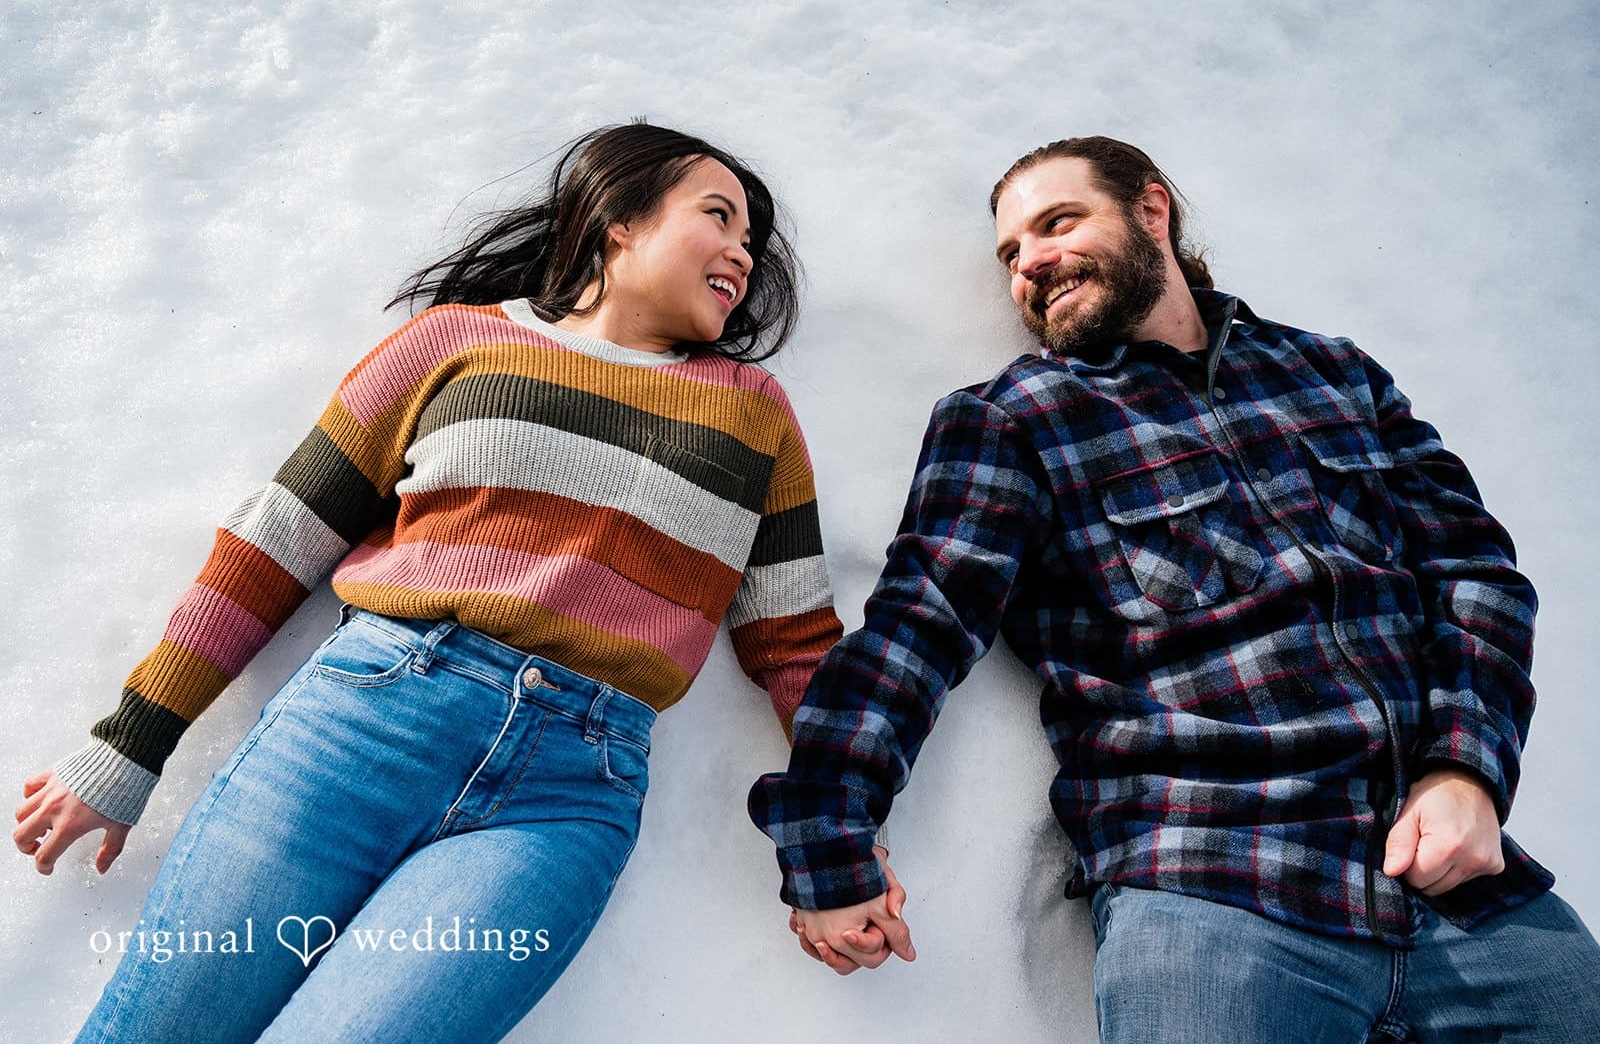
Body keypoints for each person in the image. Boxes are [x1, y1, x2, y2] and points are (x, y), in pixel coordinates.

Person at [749, 136, 1600, 1040]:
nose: (1030, 261)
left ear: (1151, 211)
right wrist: (829, 837)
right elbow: (917, 626)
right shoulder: (1014, 418)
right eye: (1011, 254)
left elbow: (1477, 576)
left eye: (1057, 222)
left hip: (1463, 893)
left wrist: (1465, 768)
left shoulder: (1336, 375)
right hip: (1211, 893)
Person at [14, 122, 848, 1043]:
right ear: (619, 219)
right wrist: (133, 742)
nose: (741, 251)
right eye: (718, 216)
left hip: (566, 798)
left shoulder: (755, 417)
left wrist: (838, 850)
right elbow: (280, 536)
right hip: (363, 724)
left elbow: (797, 642)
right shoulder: (453, 344)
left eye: (750, 241)